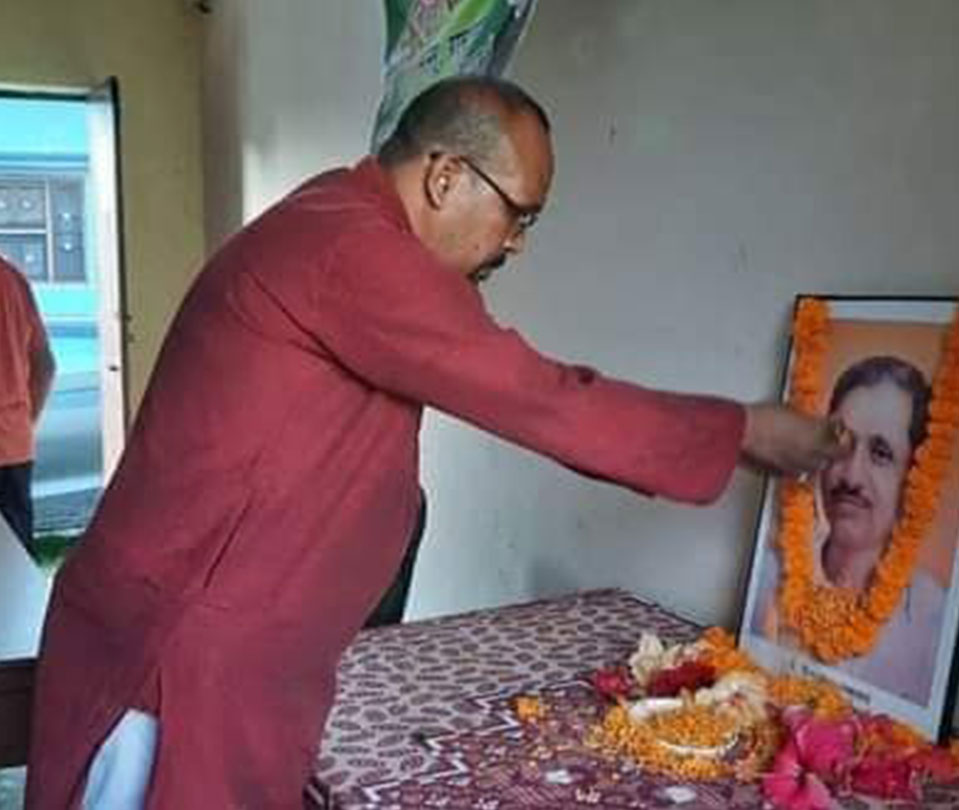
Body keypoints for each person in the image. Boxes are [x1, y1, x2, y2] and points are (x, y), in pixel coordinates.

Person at [26, 77, 849, 809]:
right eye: (518, 214)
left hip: (230, 643)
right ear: (445, 175)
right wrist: (743, 429)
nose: (516, 242)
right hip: (174, 657)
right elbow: (537, 396)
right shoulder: (351, 246)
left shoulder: (340, 221)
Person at [755, 355, 944, 705]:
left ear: (912, 479)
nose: (851, 476)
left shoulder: (934, 620)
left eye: (881, 453)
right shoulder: (768, 575)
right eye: (841, 445)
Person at [0, 255, 55, 557]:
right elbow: (45, 365)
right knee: (13, 565)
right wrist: (22, 422)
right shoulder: (13, 279)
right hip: (13, 449)